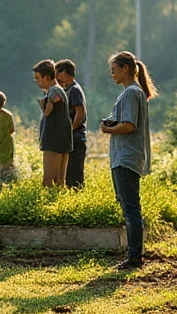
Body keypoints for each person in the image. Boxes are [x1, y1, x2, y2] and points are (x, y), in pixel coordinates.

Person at [100, 51, 158, 270]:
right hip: (124, 156)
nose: (111, 73)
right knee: (127, 206)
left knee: (131, 208)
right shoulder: (132, 92)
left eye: (114, 69)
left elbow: (129, 125)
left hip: (126, 157)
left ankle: (135, 257)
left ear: (125, 68)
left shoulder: (131, 93)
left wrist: (109, 129)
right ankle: (133, 254)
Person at [33, 59, 72, 187]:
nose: (37, 83)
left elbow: (49, 110)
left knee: (48, 183)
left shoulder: (54, 91)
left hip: (53, 141)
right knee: (59, 183)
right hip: (61, 140)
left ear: (46, 77)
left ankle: (49, 205)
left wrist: (45, 106)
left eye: (38, 79)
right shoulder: (59, 90)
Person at [55, 59, 87, 187]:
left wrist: (70, 130)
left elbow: (80, 112)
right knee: (68, 174)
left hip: (76, 139)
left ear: (63, 73)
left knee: (74, 176)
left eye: (57, 73)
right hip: (71, 139)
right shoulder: (67, 89)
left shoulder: (74, 90)